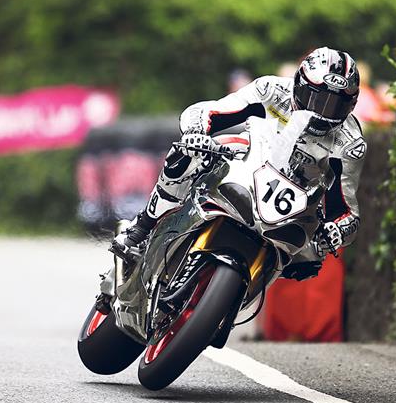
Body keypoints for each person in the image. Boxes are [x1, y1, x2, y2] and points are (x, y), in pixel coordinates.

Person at [110, 47, 367, 281]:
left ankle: (230, 304)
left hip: (297, 200)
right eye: (316, 99)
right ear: (299, 84)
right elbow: (211, 111)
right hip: (249, 157)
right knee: (187, 154)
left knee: (310, 258)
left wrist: (335, 232)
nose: (320, 112)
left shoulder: (350, 142)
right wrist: (196, 132)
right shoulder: (271, 89)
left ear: (351, 104)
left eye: (335, 105)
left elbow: (347, 209)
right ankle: (143, 227)